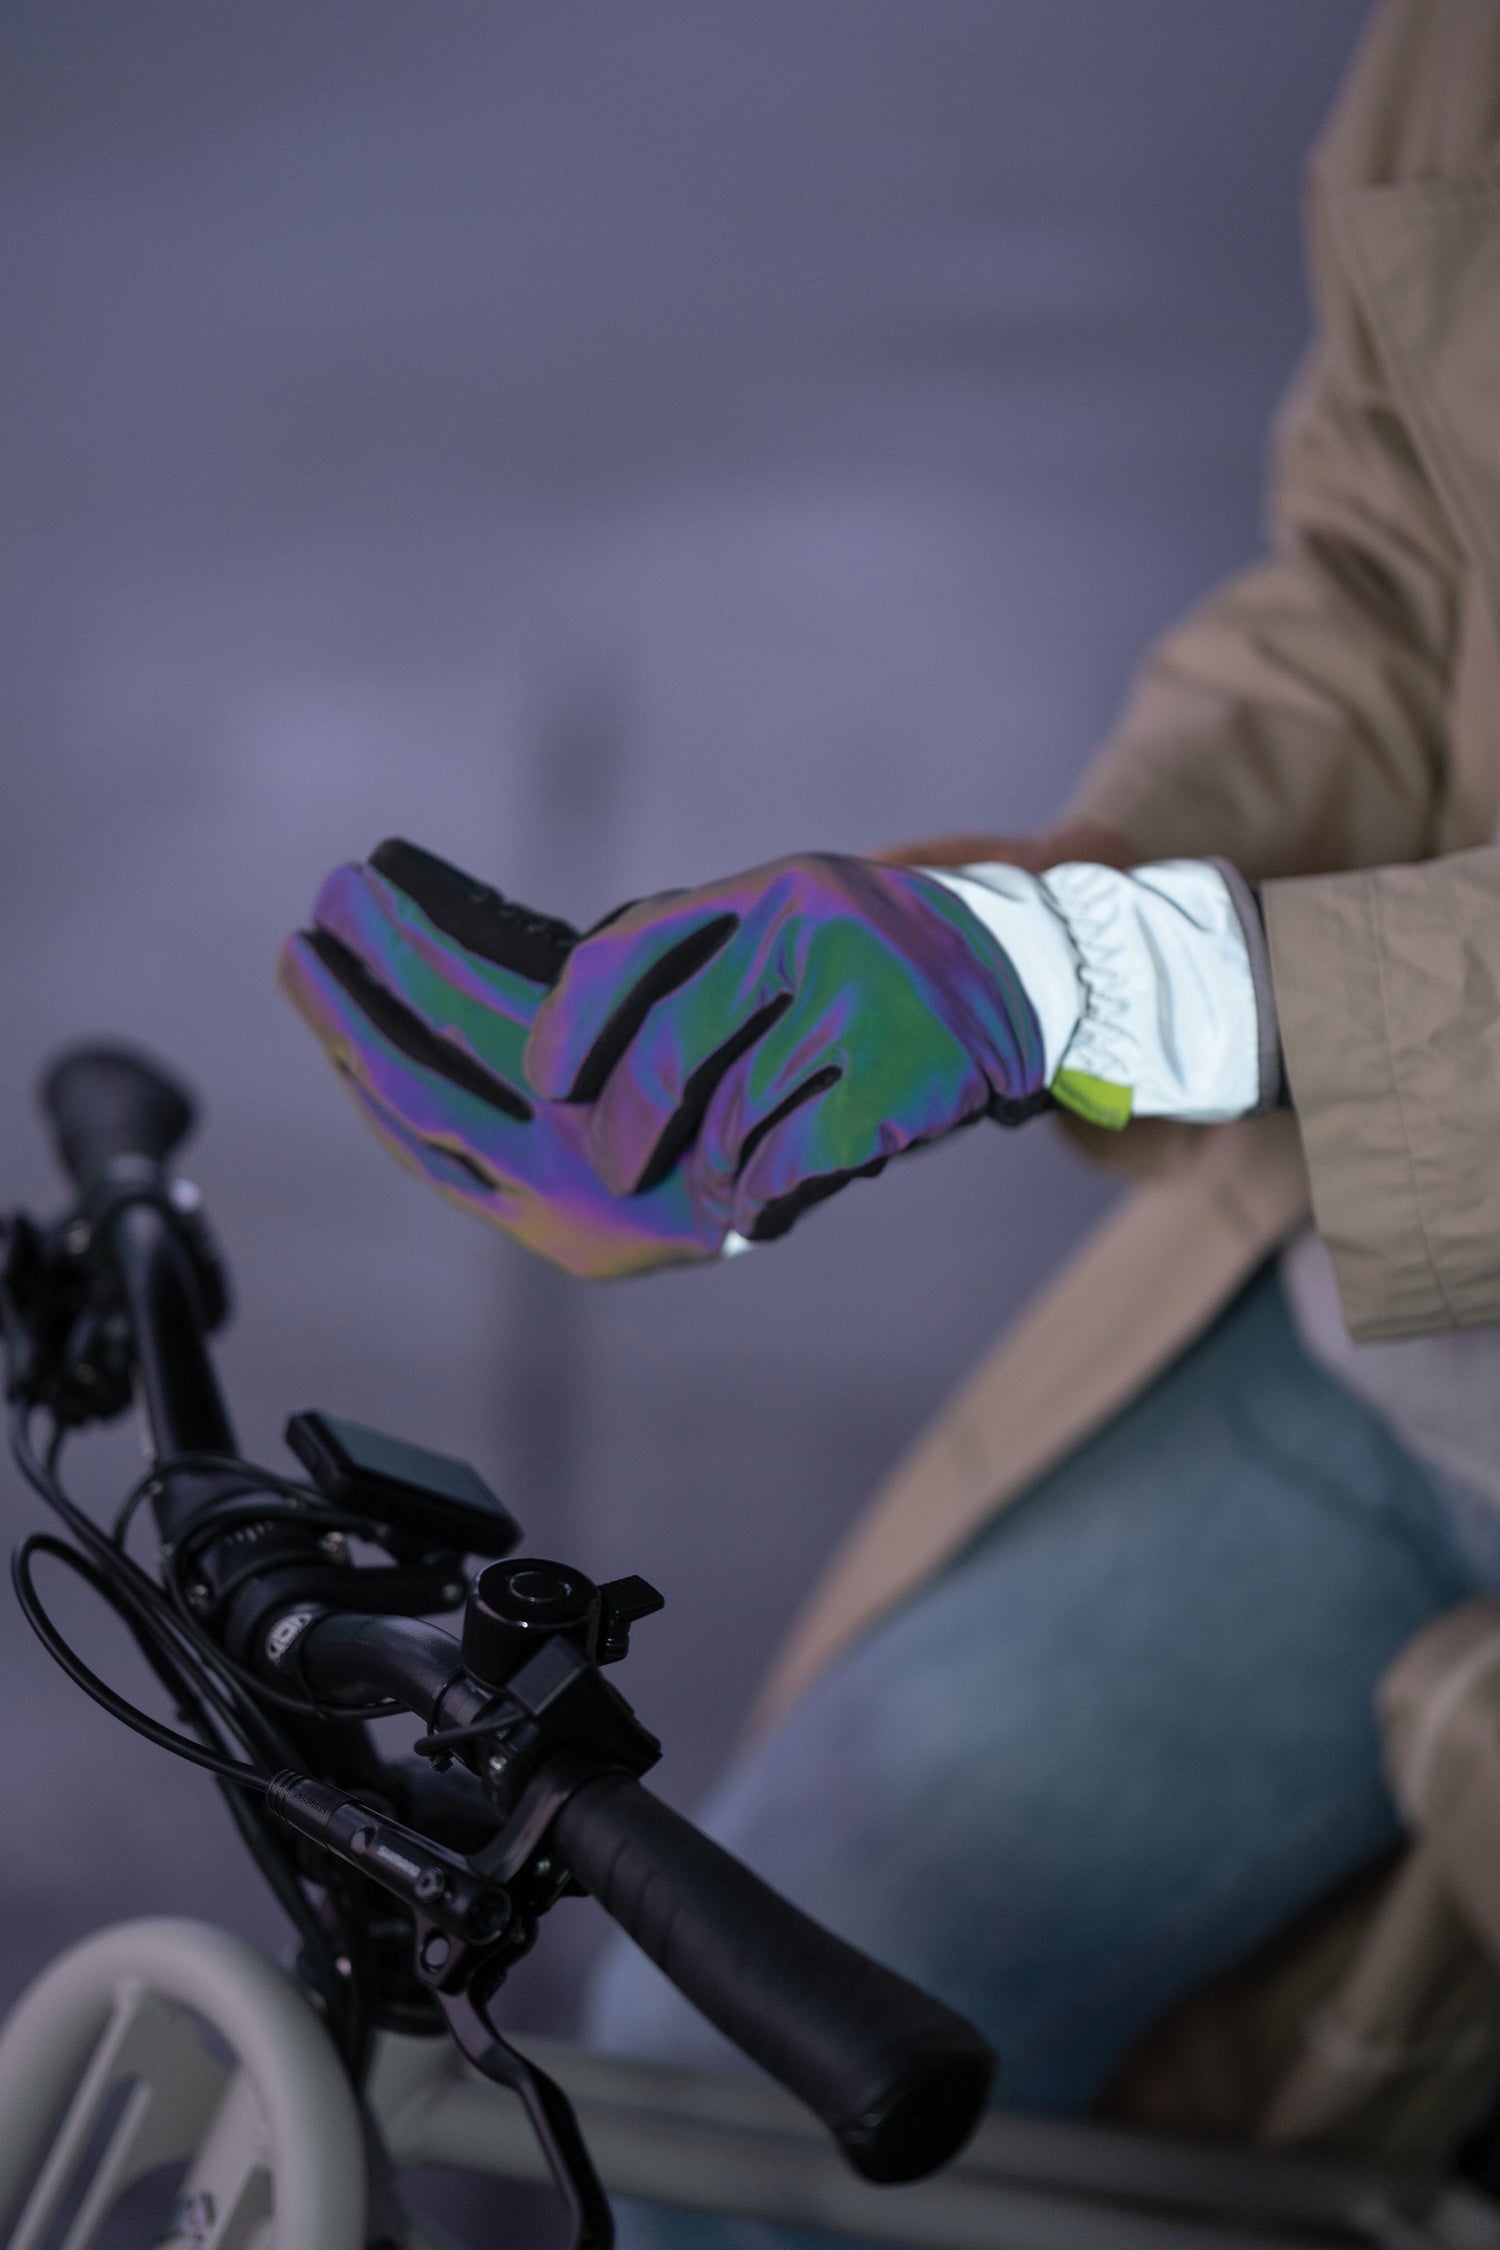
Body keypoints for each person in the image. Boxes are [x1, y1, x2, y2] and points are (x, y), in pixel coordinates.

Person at [280, 3, 1500, 2239]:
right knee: (723, 2088)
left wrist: (1125, 983)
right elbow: (1395, 568)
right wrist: (1018, 938)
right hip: (1390, 1347)